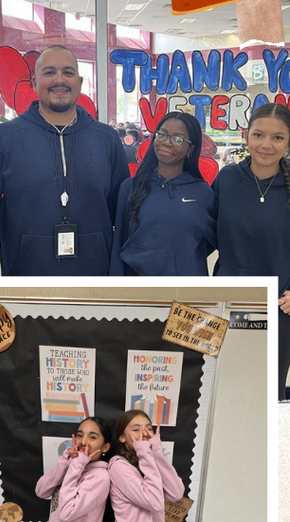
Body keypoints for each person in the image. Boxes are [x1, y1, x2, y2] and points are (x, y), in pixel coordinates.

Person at [0, 45, 128, 275]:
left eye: (68, 73)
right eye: (49, 72)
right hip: (27, 274)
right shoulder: (4, 138)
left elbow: (117, 207)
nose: (59, 80)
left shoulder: (106, 138)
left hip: (95, 274)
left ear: (79, 82)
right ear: (34, 81)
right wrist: (25, 241)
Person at [211, 103, 290, 399]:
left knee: (267, 396)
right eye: (259, 135)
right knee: (222, 392)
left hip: (279, 309)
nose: (266, 145)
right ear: (246, 136)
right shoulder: (227, 179)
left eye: (278, 137)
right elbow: (206, 233)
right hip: (227, 303)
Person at [111, 112, 215, 276]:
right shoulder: (130, 187)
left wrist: (180, 261)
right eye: (162, 134)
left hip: (186, 290)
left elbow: (207, 245)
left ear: (190, 149)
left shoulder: (204, 194)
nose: (166, 142)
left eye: (178, 139)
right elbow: (119, 244)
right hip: (139, 290)